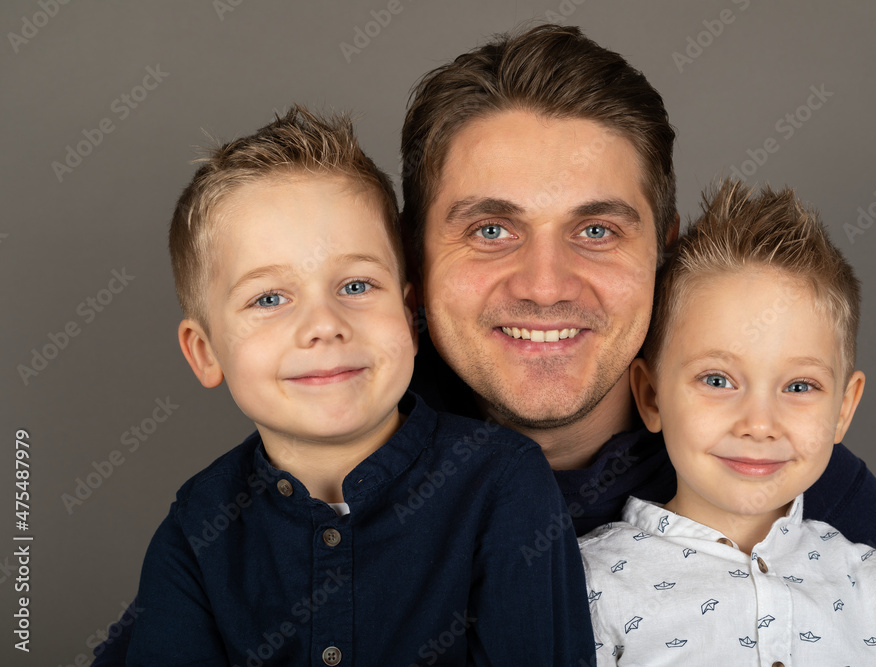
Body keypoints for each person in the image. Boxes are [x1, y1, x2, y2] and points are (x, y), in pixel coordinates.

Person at [94, 24, 876, 664]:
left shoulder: (792, 487)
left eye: (596, 230)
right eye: (491, 228)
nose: (545, 284)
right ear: (414, 259)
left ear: (663, 253)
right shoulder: (302, 466)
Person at [124, 105, 594, 666]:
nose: (324, 325)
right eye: (269, 298)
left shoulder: (502, 483)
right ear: (205, 353)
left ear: (411, 317)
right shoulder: (198, 525)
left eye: (355, 285)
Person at [580, 179, 876, 665]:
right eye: (718, 380)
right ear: (651, 396)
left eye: (800, 387)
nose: (759, 424)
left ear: (843, 410)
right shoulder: (592, 586)